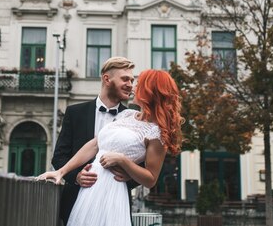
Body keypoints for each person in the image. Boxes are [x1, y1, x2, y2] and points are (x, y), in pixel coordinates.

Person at [40, 69, 183, 226]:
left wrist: (123, 161)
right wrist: (61, 172)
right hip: (88, 191)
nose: (133, 87)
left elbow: (151, 179)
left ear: (150, 92)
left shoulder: (157, 132)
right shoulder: (126, 115)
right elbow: (95, 144)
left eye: (138, 84)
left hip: (112, 192)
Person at [51, 56, 135, 225]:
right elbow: (59, 157)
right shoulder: (75, 113)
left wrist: (128, 175)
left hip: (115, 208)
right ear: (107, 79)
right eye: (125, 79)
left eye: (132, 80)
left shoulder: (133, 119)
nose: (130, 85)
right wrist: (76, 177)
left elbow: (147, 168)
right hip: (76, 202)